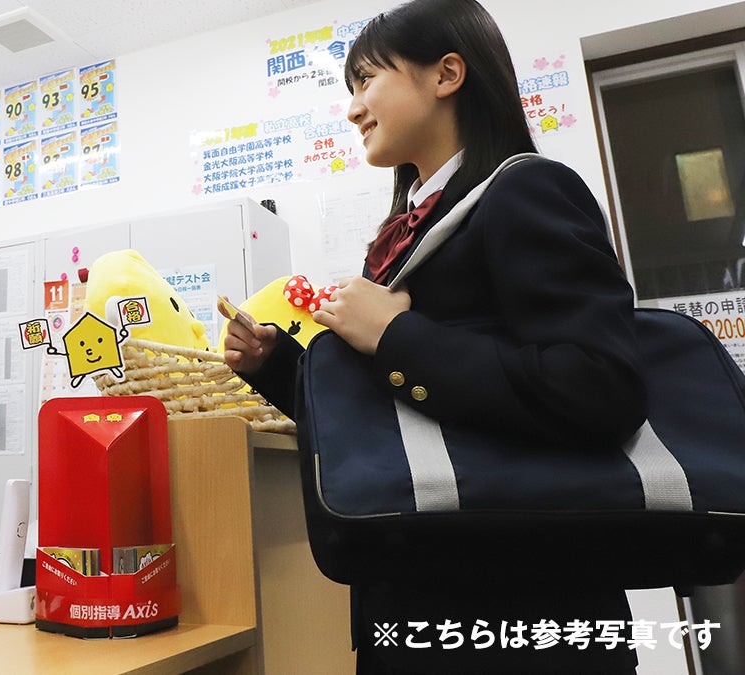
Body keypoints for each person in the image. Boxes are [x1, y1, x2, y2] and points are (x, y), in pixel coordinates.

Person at [222, 1, 644, 672]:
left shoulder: (527, 189)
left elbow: (602, 385)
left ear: (447, 74)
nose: (354, 108)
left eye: (367, 80)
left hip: (523, 613)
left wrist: (393, 335)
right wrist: (277, 366)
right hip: (410, 604)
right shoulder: (401, 235)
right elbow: (391, 425)